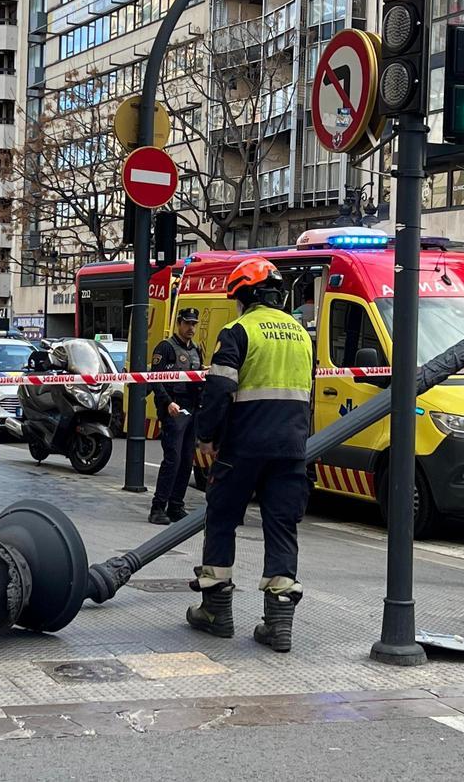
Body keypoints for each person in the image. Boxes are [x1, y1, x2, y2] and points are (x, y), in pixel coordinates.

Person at [187, 256, 314, 653]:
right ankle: (278, 625)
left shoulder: (238, 331)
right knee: (281, 526)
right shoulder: (301, 334)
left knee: (222, 519)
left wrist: (206, 436)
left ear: (244, 295)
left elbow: (220, 390)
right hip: (291, 447)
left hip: (243, 446)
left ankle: (216, 611)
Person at [147, 307, 205, 525]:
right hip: (174, 408)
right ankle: (157, 508)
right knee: (173, 459)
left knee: (187, 459)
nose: (191, 328)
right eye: (187, 323)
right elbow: (155, 378)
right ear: (179, 323)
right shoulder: (166, 347)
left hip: (193, 408)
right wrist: (167, 402)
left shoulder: (196, 349)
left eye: (194, 324)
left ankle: (176, 506)